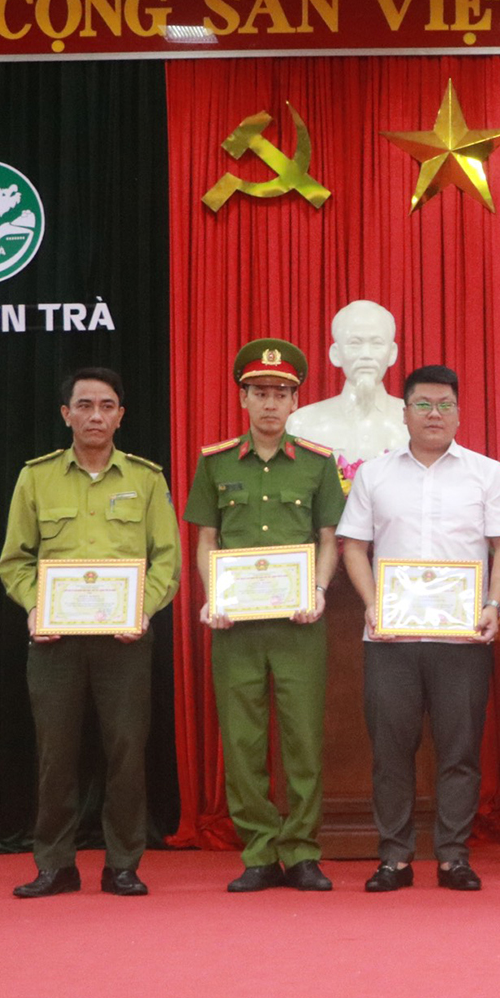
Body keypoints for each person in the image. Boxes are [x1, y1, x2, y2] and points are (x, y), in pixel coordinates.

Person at [0, 368, 179, 898]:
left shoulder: (146, 479)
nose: (95, 415)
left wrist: (142, 610)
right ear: (66, 414)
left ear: (121, 414)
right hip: (55, 643)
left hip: (125, 642)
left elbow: (164, 559)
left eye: (106, 405)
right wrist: (35, 608)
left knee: (126, 750)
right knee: (56, 753)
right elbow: (15, 561)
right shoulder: (37, 477)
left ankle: (123, 862)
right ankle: (55, 863)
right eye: (84, 405)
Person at [337, 365, 500, 892]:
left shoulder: (488, 473)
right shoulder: (375, 474)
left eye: (444, 404)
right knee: (391, 750)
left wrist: (492, 603)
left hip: (461, 638)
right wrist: (372, 605)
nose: (434, 414)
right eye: (423, 404)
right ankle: (394, 856)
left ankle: (453, 856)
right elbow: (354, 546)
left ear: (460, 412)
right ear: (405, 412)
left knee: (460, 751)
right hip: (390, 638)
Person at [185, 340, 345, 892]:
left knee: (303, 738)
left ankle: (301, 850)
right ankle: (258, 850)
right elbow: (206, 540)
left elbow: (329, 539)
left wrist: (320, 589)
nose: (271, 403)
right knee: (243, 738)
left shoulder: (320, 465)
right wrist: (214, 597)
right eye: (260, 393)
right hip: (237, 628)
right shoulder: (216, 463)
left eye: (281, 393)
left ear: (295, 400)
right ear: (243, 399)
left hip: (301, 625)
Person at [286, 300, 408, 479]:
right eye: (355, 343)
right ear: (335, 354)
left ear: (392, 353)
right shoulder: (302, 424)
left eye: (376, 343)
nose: (366, 354)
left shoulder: (417, 422)